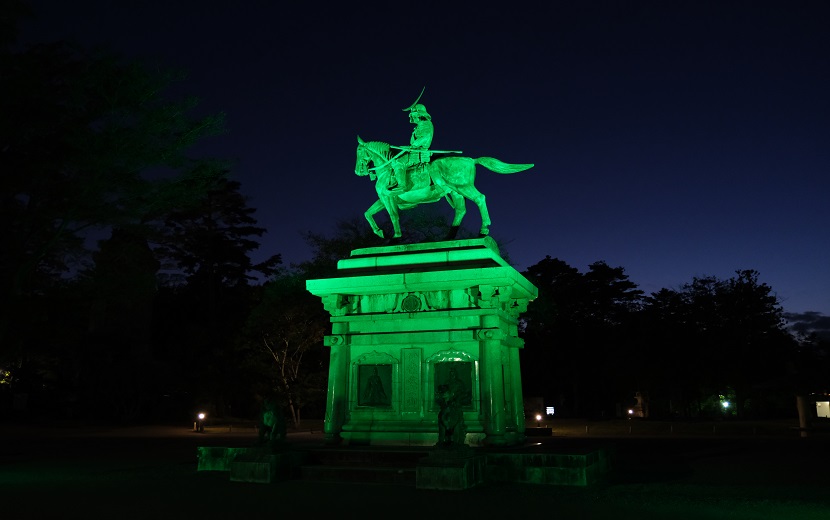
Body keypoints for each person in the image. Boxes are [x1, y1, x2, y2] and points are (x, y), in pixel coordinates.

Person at [390, 89, 434, 194]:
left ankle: (402, 185)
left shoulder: (426, 124)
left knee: (398, 162)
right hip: (415, 151)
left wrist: (415, 144)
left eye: (413, 115)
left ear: (419, 114)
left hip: (419, 153)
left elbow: (427, 136)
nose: (411, 117)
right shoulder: (419, 127)